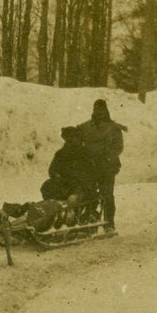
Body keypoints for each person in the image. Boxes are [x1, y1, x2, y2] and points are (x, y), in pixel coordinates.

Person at [76, 99, 126, 232]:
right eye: (96, 110)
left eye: (101, 110)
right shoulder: (85, 127)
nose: (98, 113)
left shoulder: (114, 128)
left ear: (106, 111)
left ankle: (109, 223)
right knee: (89, 194)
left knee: (107, 194)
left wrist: (107, 157)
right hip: (90, 166)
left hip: (107, 167)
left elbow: (118, 147)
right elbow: (78, 141)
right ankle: (91, 220)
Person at [42, 125, 95, 202]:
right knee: (47, 186)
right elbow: (52, 170)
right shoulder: (61, 154)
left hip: (80, 185)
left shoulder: (85, 154)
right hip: (64, 183)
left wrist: (79, 180)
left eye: (73, 138)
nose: (70, 141)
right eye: (68, 139)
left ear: (79, 138)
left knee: (76, 195)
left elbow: (90, 173)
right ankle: (51, 205)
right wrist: (57, 176)